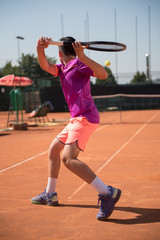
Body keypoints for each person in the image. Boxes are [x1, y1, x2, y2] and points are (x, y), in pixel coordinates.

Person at [31, 36, 121, 220]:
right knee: (54, 150)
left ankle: (107, 193)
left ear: (60, 53)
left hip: (85, 117)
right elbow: (45, 66)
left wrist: (82, 56)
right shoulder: (62, 68)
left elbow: (103, 74)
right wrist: (40, 49)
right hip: (76, 119)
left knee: (68, 158)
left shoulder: (79, 64)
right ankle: (51, 193)